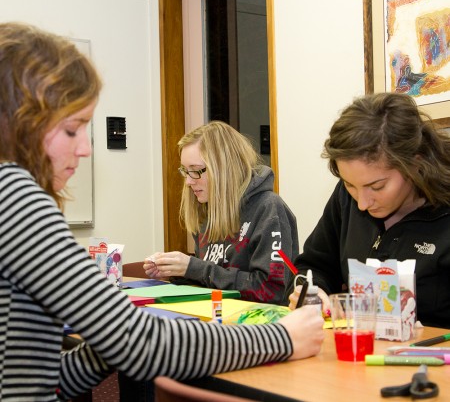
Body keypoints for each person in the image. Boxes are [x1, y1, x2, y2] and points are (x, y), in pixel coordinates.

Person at [0, 22, 324, 401]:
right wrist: (281, 337)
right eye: (73, 130)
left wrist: (114, 339)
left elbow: (47, 380)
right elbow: (141, 344)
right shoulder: (15, 197)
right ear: (22, 124)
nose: (86, 150)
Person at [288, 92, 450, 329]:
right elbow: (315, 264)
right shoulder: (347, 199)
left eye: (377, 186)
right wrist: (312, 292)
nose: (362, 203)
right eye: (350, 184)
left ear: (415, 163)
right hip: (357, 353)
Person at [143, 121, 299, 305]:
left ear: (223, 168)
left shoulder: (269, 208)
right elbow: (213, 279)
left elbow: (270, 291)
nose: (188, 182)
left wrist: (194, 268)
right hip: (217, 321)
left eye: (195, 171)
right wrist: (179, 272)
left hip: (258, 327)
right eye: (185, 171)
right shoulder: (206, 209)